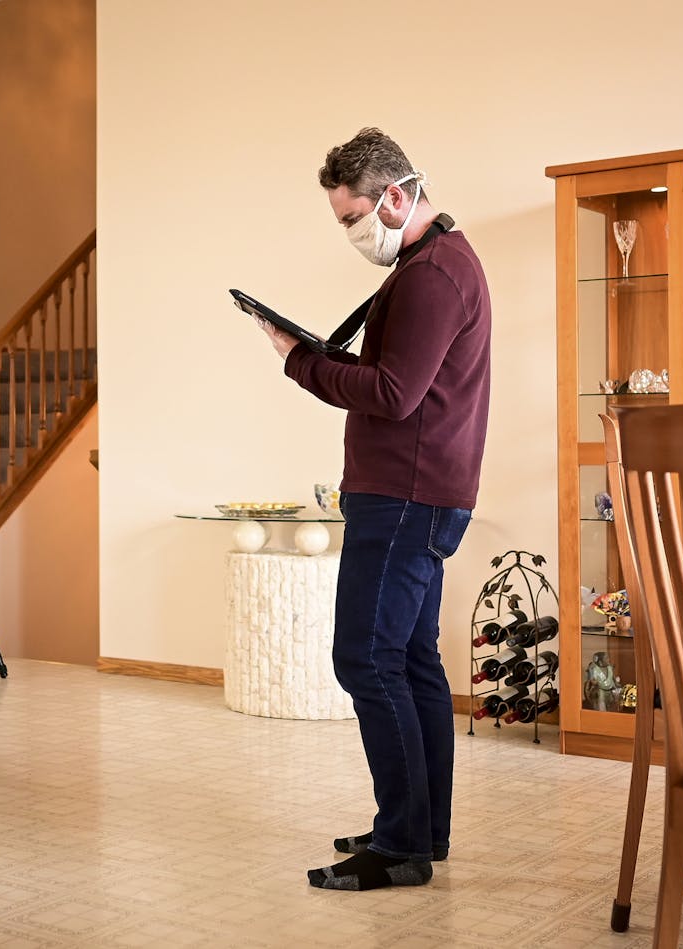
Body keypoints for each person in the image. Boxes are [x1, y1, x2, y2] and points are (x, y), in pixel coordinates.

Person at [254, 128, 492, 891]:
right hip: (422, 492)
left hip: (405, 497)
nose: (355, 232)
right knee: (412, 658)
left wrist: (298, 361)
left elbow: (393, 394)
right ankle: (422, 829)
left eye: (354, 216)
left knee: (365, 657)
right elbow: (398, 377)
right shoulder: (438, 263)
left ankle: (401, 844)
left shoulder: (430, 275)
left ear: (395, 195)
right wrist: (317, 354)